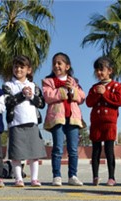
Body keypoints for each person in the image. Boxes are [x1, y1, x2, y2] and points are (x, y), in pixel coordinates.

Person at [43, 52, 86, 186]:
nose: (56, 66)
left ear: (67, 66)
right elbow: (48, 96)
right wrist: (62, 91)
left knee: (73, 149)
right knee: (57, 148)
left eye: (59, 63)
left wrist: (72, 90)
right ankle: (57, 175)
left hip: (73, 118)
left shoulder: (74, 81)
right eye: (54, 63)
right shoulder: (48, 81)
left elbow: (81, 97)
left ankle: (73, 175)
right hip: (57, 118)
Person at [3, 55, 46, 187]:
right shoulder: (8, 85)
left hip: (32, 123)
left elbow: (42, 103)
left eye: (22, 67)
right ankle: (18, 179)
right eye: (16, 66)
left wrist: (31, 96)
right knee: (16, 154)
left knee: (34, 154)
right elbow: (7, 102)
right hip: (16, 123)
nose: (18, 69)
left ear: (29, 70)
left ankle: (34, 179)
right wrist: (22, 95)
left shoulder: (33, 85)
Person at [85, 57, 121, 186]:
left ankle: (111, 177)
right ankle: (95, 176)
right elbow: (89, 102)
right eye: (96, 70)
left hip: (110, 123)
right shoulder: (94, 87)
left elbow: (119, 101)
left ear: (110, 71)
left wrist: (105, 93)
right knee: (96, 151)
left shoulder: (116, 86)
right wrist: (98, 93)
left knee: (109, 150)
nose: (99, 73)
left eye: (102, 70)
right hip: (96, 122)